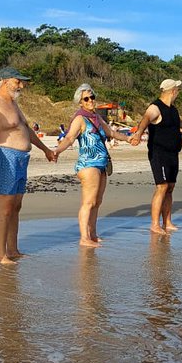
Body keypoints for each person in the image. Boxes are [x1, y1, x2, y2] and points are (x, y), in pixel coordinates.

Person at [0, 66, 57, 265]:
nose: (21, 86)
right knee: (5, 205)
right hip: (3, 155)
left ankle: (12, 250)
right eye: (18, 81)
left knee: (16, 205)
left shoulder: (13, 103)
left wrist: (45, 149)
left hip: (22, 158)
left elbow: (27, 130)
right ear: (5, 81)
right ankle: (0, 255)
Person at [53, 84, 117, 247]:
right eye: (86, 99)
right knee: (88, 202)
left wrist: (130, 138)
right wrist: (57, 151)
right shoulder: (80, 119)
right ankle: (84, 238)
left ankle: (92, 234)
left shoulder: (96, 117)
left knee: (97, 202)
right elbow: (69, 138)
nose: (90, 101)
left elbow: (110, 133)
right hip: (88, 164)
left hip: (102, 163)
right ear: (80, 102)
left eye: (92, 97)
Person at [129, 78, 182, 234]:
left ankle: (167, 222)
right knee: (162, 186)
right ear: (173, 91)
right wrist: (138, 134)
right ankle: (155, 224)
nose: (178, 92)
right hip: (159, 153)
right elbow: (146, 119)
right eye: (177, 90)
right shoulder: (155, 107)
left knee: (170, 187)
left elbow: (179, 123)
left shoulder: (173, 110)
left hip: (173, 153)